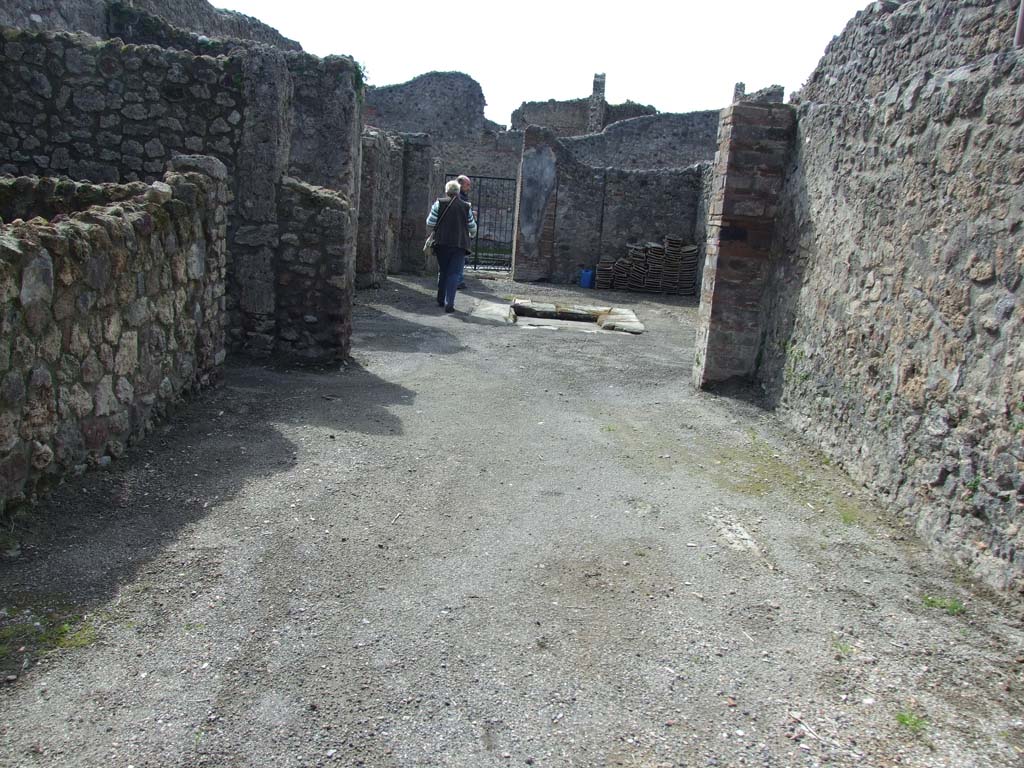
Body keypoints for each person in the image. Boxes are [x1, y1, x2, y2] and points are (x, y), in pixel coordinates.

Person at [426, 179, 476, 313]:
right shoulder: (466, 206)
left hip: (442, 243)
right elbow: (473, 227)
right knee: (454, 273)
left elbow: (429, 222)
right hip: (460, 244)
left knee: (443, 270)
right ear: (458, 192)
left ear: (447, 191)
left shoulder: (439, 203)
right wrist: (470, 234)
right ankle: (450, 303)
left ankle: (440, 299)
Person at [455, 175, 473, 289]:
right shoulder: (461, 199)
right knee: (459, 258)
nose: (469, 187)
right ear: (460, 185)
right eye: (467, 185)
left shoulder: (460, 197)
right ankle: (458, 280)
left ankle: (456, 280)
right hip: (460, 234)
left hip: (455, 233)